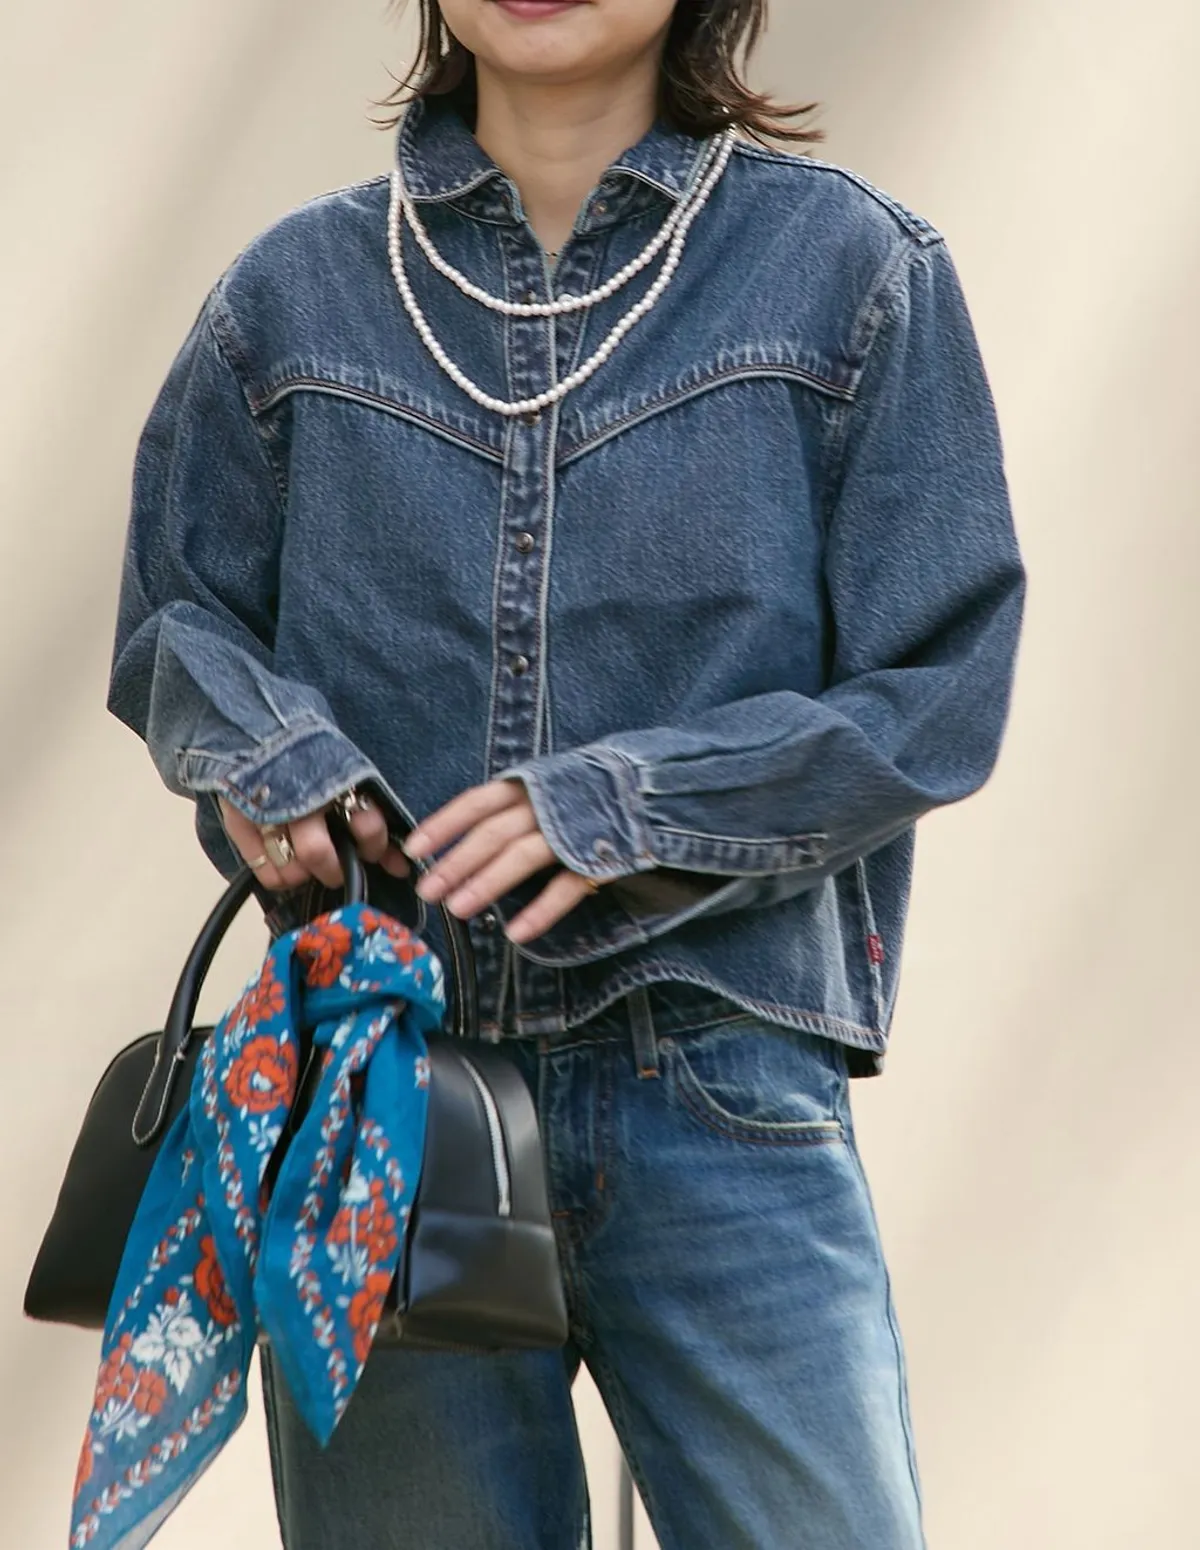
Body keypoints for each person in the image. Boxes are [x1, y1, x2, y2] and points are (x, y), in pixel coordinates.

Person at [107, 1, 1024, 1545]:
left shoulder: (854, 276)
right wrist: (272, 763)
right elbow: (176, 625)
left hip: (722, 1085)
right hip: (384, 1100)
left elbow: (938, 690)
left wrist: (627, 806)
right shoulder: (290, 300)